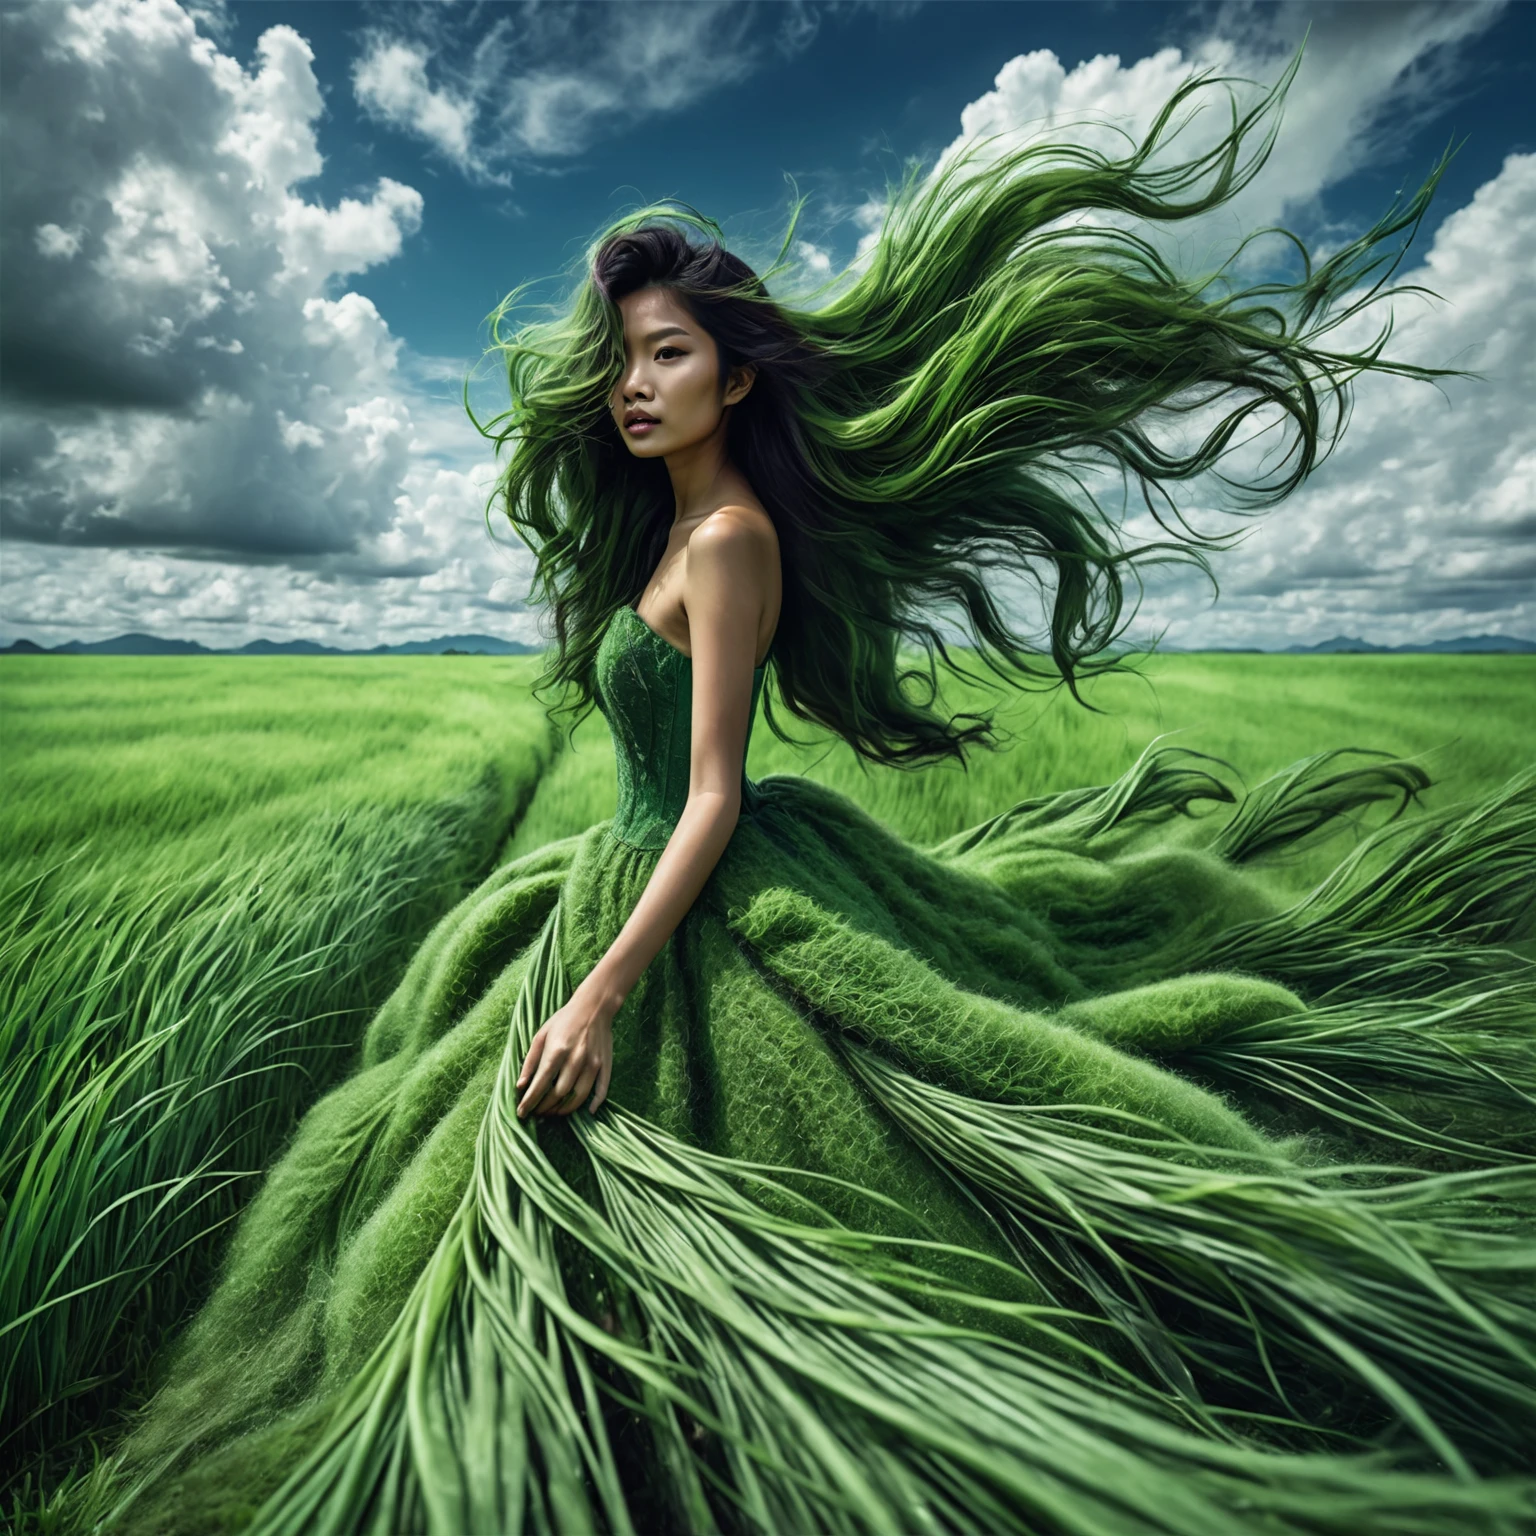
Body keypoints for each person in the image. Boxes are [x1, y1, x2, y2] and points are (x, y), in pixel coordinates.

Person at [84, 64, 1533, 1536]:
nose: (630, 385)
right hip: (625, 864)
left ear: (739, 375)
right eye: (622, 362)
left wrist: (597, 998)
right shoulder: (678, 525)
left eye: (661, 356)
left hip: (684, 881)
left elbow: (709, 797)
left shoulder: (728, 543)